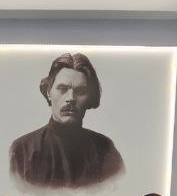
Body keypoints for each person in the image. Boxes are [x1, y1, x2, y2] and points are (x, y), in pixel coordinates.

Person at [9, 52, 125, 189]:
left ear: (89, 97)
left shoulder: (105, 149)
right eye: (63, 89)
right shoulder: (23, 149)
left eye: (80, 91)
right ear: (48, 92)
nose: (71, 98)